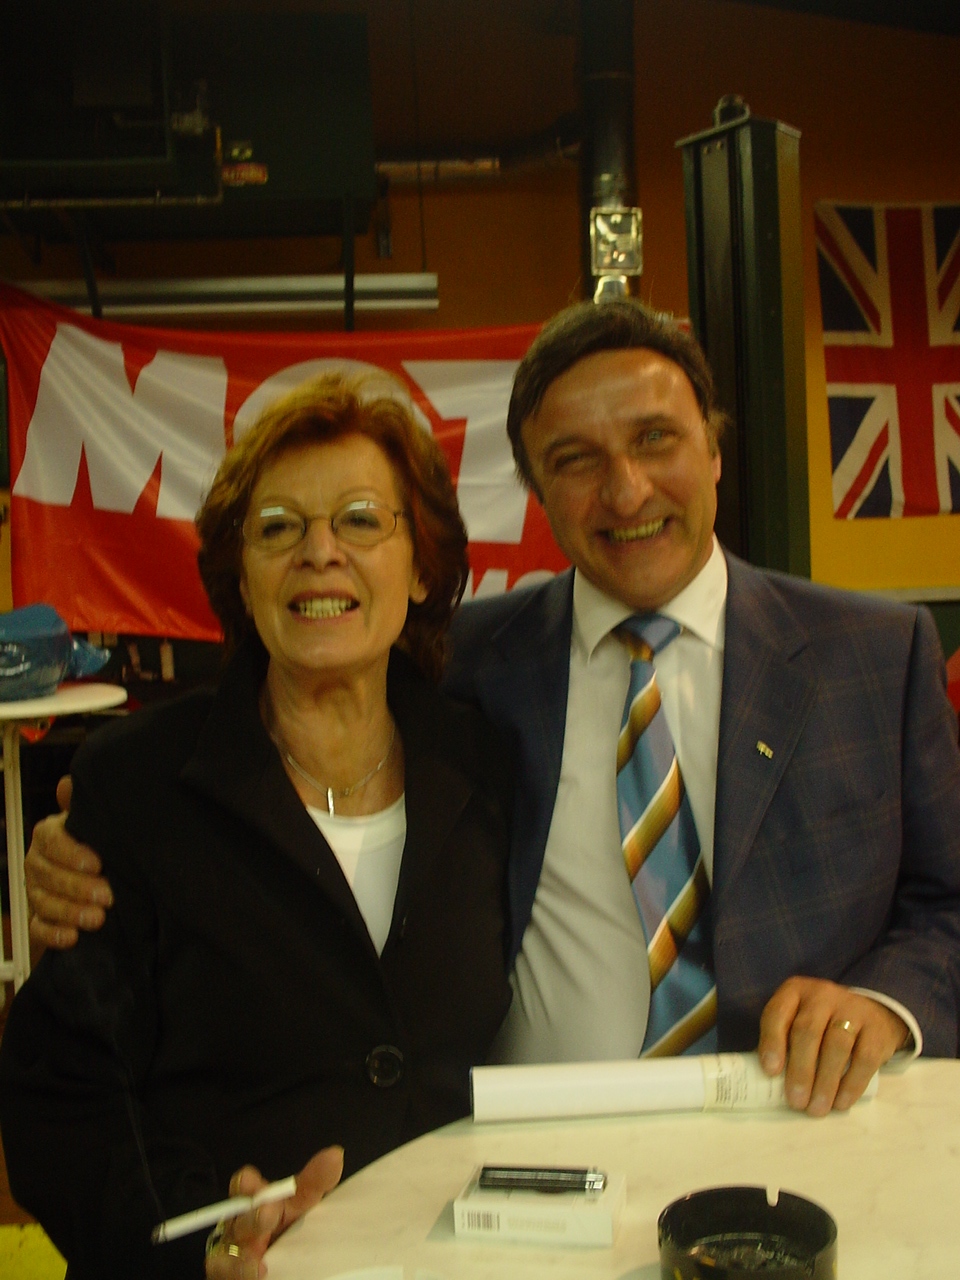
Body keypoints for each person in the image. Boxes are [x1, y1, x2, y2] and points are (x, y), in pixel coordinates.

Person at [26, 300, 960, 1118]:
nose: (626, 490)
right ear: (537, 492)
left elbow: (948, 904)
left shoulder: (876, 656)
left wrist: (886, 1002)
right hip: (533, 1156)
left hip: (802, 1128)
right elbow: (278, 744)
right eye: (575, 459)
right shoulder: (458, 665)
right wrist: (95, 844)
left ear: (714, 450)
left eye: (655, 439)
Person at [0, 374, 514, 1280]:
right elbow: (65, 1099)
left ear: (421, 565)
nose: (320, 552)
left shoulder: (490, 765)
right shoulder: (134, 782)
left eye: (361, 520)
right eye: (278, 528)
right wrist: (202, 1238)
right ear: (242, 576)